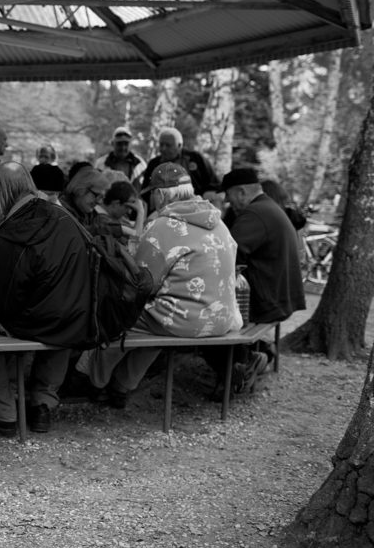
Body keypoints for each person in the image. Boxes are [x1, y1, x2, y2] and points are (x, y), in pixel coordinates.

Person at [77, 162, 242, 407]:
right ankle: (122, 385)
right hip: (223, 319)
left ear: (160, 194)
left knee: (119, 317)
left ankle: (91, 380)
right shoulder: (219, 223)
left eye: (152, 193)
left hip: (184, 321)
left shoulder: (163, 226)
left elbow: (142, 284)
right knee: (156, 321)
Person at [0, 162, 92, 436]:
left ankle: (4, 414)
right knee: (59, 322)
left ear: (0, 192)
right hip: (74, 317)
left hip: (35, 320)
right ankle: (42, 406)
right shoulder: (63, 217)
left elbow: (6, 297)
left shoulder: (10, 231)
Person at [214, 168, 306, 384]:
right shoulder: (268, 207)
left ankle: (239, 365)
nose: (228, 202)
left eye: (228, 195)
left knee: (205, 314)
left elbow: (228, 254)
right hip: (280, 298)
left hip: (266, 302)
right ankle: (259, 351)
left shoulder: (254, 214)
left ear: (241, 192)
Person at [142, 127, 218, 197]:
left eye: (168, 145)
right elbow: (145, 190)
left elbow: (214, 183)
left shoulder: (195, 158)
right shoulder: (154, 164)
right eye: (161, 144)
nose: (163, 149)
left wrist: (208, 193)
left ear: (179, 145)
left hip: (196, 203)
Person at [59, 167, 120, 240]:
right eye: (97, 195)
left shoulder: (85, 211)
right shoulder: (61, 211)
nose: (99, 202)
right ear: (81, 188)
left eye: (102, 197)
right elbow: (79, 236)